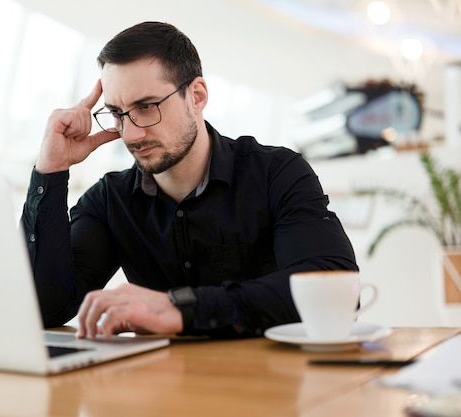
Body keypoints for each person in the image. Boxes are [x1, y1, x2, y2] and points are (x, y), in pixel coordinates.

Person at [21, 21, 358, 340]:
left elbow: (334, 288)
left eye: (147, 106)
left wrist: (180, 308)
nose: (131, 133)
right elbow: (44, 309)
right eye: (118, 113)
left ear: (196, 96)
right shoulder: (109, 201)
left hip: (270, 388)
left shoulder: (276, 173)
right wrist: (51, 170)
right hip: (161, 391)